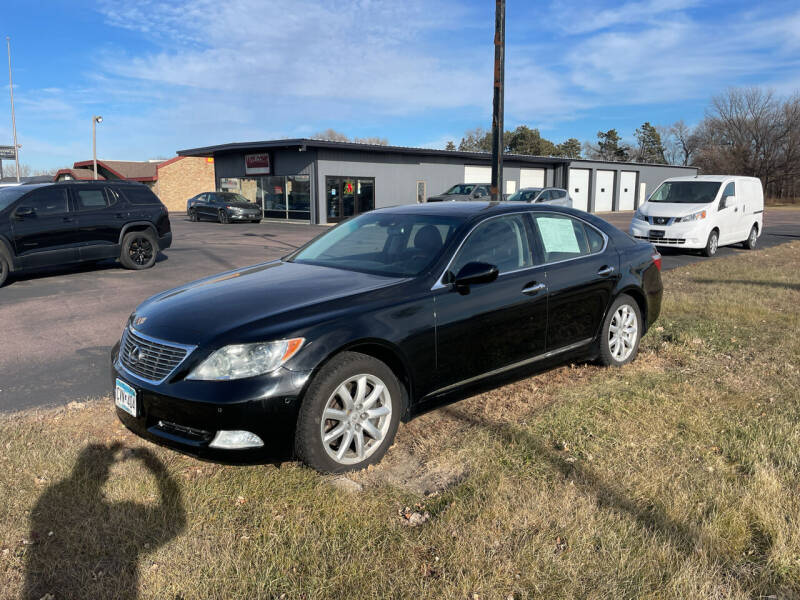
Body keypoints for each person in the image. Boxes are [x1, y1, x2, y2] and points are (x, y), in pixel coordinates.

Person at [23, 442, 186, 600]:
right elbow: (178, 524)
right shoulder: (61, 498)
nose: (106, 473)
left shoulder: (53, 495)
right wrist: (155, 466)